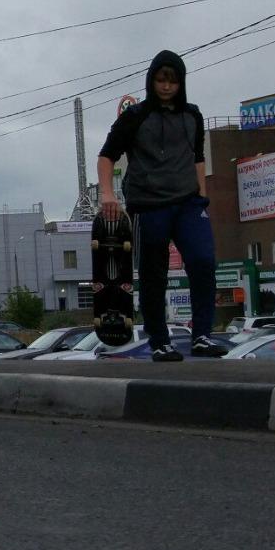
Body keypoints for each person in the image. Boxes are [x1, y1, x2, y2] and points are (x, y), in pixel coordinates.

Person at [97, 50, 224, 361]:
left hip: (188, 204)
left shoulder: (192, 115)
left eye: (173, 81)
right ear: (151, 81)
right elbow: (106, 156)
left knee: (203, 261)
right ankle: (159, 341)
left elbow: (197, 158)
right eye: (160, 80)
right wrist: (107, 195)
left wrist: (202, 198)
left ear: (181, 83)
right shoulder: (135, 116)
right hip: (150, 205)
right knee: (155, 274)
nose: (166, 87)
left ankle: (203, 336)